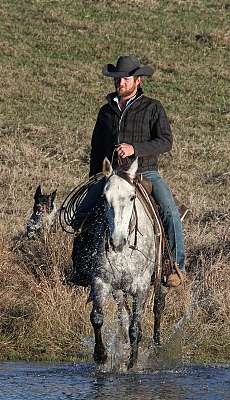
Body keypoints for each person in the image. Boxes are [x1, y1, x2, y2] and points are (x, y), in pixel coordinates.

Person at [70, 55, 185, 288]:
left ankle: (174, 267)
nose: (120, 82)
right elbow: (96, 149)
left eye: (125, 79)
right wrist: (95, 178)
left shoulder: (153, 108)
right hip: (112, 177)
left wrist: (135, 148)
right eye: (117, 79)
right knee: (80, 214)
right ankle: (82, 268)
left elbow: (165, 141)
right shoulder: (106, 112)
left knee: (171, 214)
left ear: (138, 81)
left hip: (145, 173)